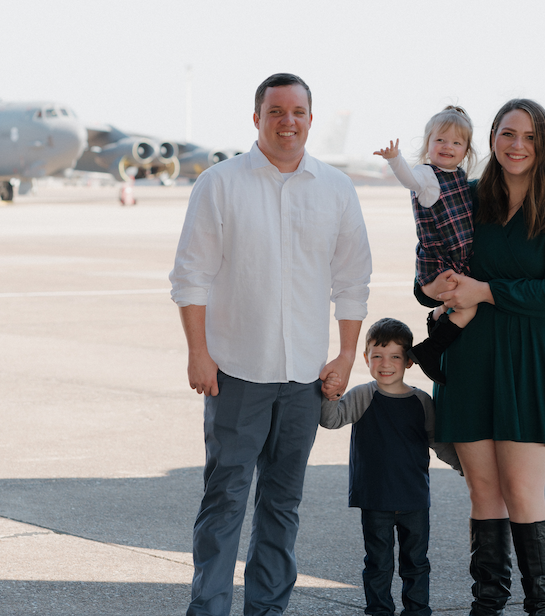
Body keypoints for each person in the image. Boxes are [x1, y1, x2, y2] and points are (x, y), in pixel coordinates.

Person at [169, 72, 372, 616]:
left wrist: (346, 354)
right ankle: (208, 609)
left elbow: (352, 282)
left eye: (298, 112)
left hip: (305, 377)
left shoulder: (336, 188)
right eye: (276, 111)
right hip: (235, 371)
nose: (288, 122)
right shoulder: (220, 183)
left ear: (311, 117)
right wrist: (197, 351)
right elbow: (191, 276)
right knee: (225, 503)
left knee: (283, 506)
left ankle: (268, 610)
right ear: (256, 118)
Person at [429, 99, 545, 616]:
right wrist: (431, 287)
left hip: (530, 360)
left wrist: (485, 291)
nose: (516, 145)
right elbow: (430, 266)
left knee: (521, 490)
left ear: (543, 144)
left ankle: (541, 607)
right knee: (483, 491)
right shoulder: (465, 196)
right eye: (506, 133)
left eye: (528, 135)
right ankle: (488, 604)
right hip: (471, 358)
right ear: (492, 140)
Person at [319, 318, 461, 616]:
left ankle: (418, 610)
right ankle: (379, 610)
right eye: (377, 356)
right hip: (375, 499)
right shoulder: (362, 394)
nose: (386, 364)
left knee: (416, 563)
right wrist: (330, 394)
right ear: (365, 358)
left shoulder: (421, 401)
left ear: (408, 360)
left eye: (395, 356)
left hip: (414, 500)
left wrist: (467, 468)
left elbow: (439, 444)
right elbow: (331, 420)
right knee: (378, 564)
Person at [374, 106, 479, 385]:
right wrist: (396, 160)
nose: (448, 147)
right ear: (428, 144)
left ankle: (437, 317)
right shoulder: (427, 176)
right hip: (440, 259)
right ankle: (429, 350)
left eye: (457, 142)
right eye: (440, 140)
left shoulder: (457, 176)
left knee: (459, 303)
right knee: (469, 308)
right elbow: (409, 179)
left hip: (455, 258)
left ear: (466, 150)